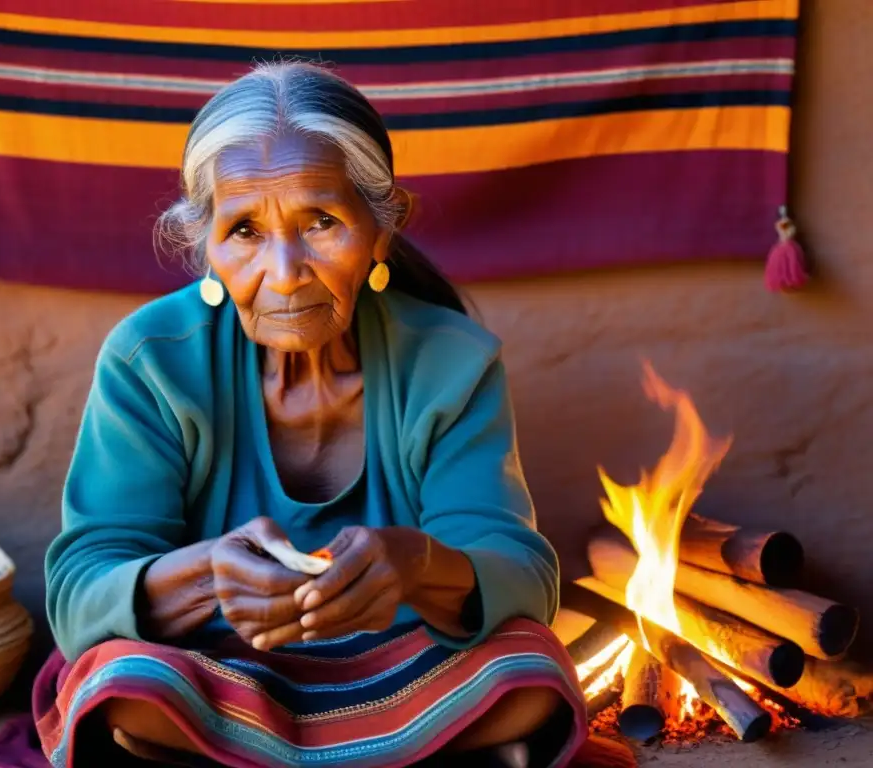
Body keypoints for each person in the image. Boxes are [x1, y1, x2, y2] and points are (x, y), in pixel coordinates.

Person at [33, 62, 629, 768]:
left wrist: (413, 567)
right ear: (207, 248)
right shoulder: (151, 361)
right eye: (246, 230)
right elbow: (78, 597)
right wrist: (206, 576)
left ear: (383, 229)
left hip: (401, 669)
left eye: (321, 222)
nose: (285, 272)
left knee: (529, 672)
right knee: (127, 682)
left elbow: (522, 577)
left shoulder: (450, 361)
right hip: (216, 674)